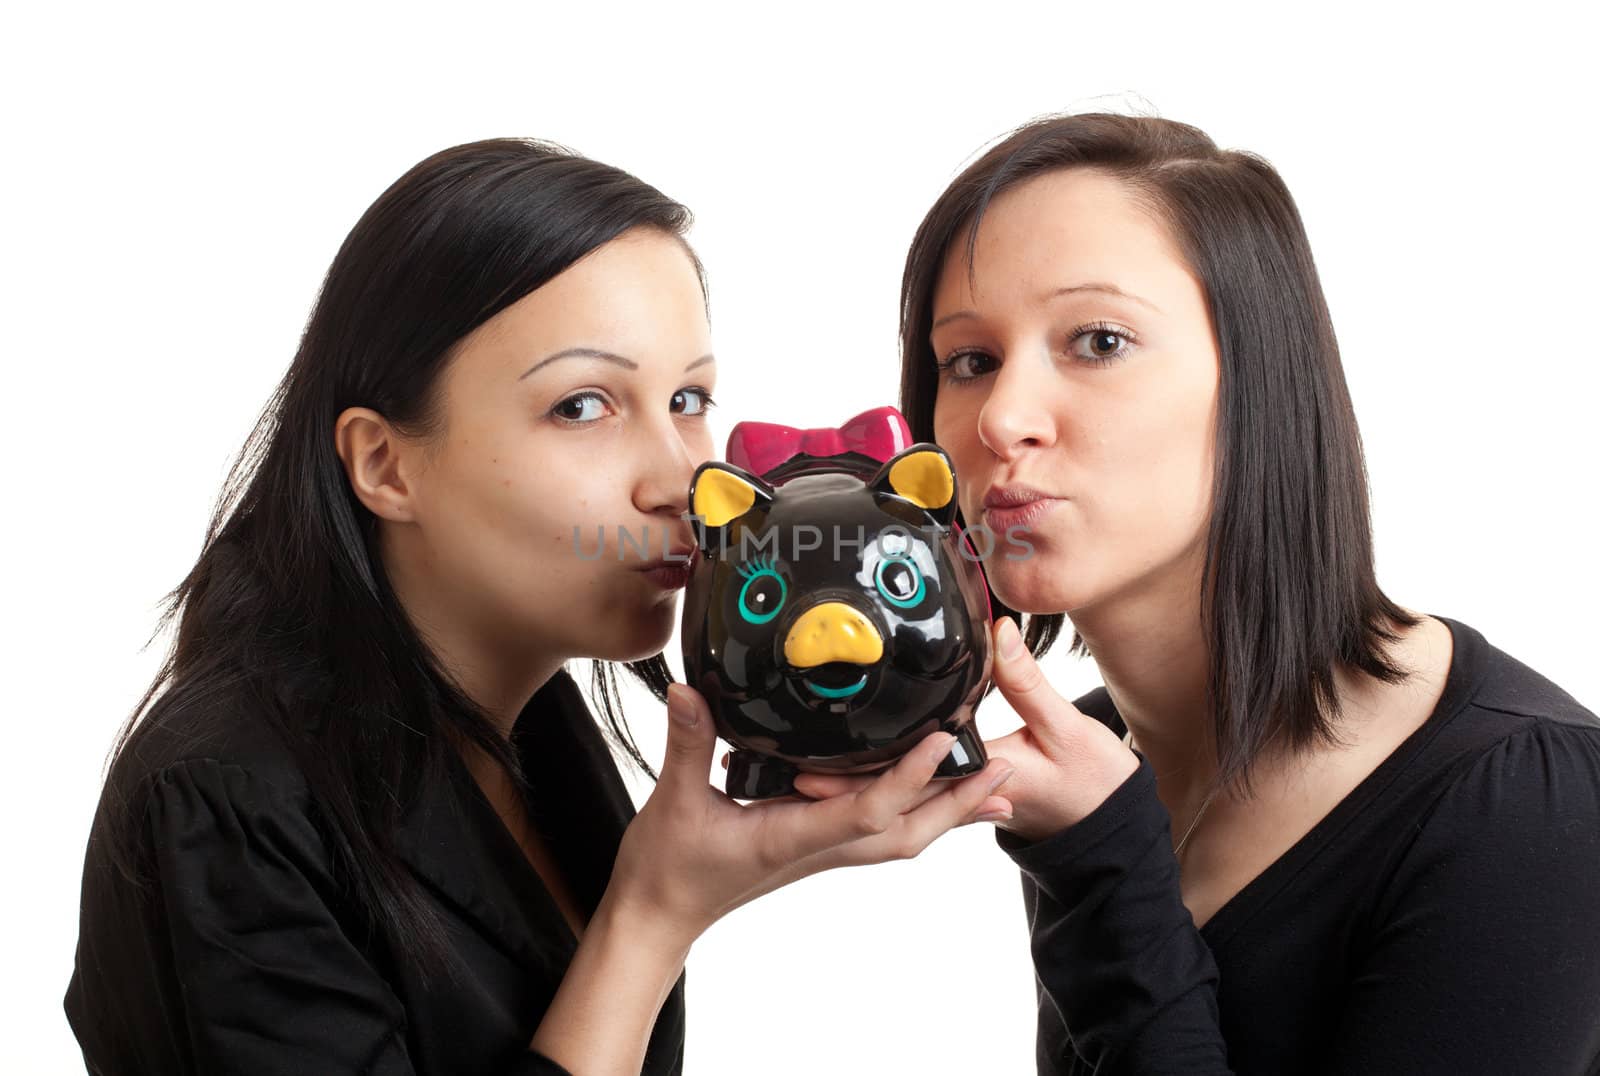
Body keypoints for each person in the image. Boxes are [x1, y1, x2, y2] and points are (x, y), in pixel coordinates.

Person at [62, 138, 1017, 1076]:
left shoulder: (537, 726)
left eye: (689, 399)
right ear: (385, 464)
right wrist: (651, 919)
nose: (683, 481)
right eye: (582, 407)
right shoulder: (224, 803)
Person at [798, 112, 1600, 1073]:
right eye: (969, 361)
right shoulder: (1090, 761)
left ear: (1260, 381)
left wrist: (1105, 869)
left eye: (1098, 341)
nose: (1003, 418)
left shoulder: (1525, 807)